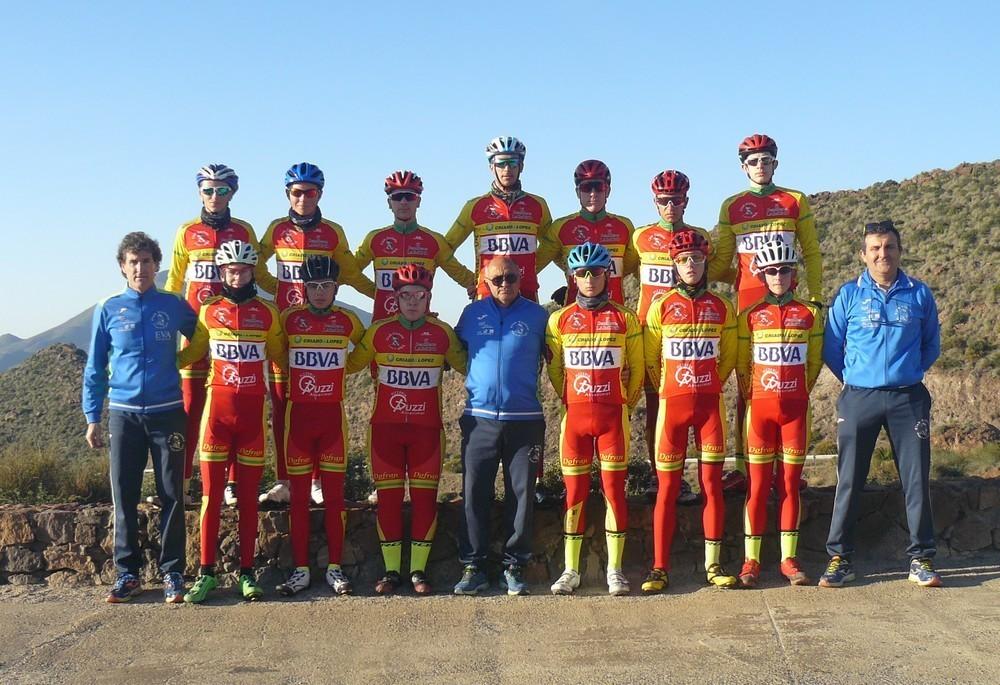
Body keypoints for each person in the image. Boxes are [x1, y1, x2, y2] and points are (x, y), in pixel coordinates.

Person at [820, 220, 942, 588]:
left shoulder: (919, 294)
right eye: (874, 248)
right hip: (859, 397)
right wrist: (859, 378)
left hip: (908, 397)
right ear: (863, 254)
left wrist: (906, 373)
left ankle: (921, 558)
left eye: (888, 247)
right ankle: (840, 558)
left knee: (917, 479)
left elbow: (931, 345)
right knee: (850, 479)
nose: (882, 254)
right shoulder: (849, 295)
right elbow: (832, 348)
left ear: (899, 250)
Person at [83, 232, 197, 603]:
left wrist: (180, 363)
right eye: (133, 262)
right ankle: (127, 574)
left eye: (146, 261)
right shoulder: (109, 308)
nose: (140, 268)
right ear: (122, 267)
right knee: (124, 495)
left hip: (168, 413)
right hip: (123, 415)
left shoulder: (174, 304)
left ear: (156, 265)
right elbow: (95, 366)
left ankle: (173, 573)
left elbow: (207, 336)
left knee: (172, 496)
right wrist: (92, 416)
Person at [256, 162, 376, 506]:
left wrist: (388, 299)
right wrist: (276, 288)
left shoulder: (333, 232)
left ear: (320, 194)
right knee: (282, 407)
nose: (303, 198)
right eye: (297, 192)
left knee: (322, 402)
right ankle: (285, 480)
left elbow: (351, 274)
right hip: (287, 327)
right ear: (287, 195)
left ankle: (317, 480)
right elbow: (255, 265)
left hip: (321, 331)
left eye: (310, 192)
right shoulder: (276, 230)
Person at [345, 265, 467, 595]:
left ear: (429, 297)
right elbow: (348, 364)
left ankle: (417, 571)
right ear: (395, 298)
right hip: (385, 433)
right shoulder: (378, 332)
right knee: (389, 501)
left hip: (427, 433)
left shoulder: (441, 333)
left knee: (425, 501)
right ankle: (391, 571)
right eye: (405, 295)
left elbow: (470, 365)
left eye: (419, 295)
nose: (412, 302)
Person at [712, 135, 823, 492]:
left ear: (776, 163)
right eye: (753, 161)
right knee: (748, 387)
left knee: (788, 384)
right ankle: (746, 468)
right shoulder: (732, 206)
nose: (760, 166)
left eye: (766, 160)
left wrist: (816, 297)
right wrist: (741, 278)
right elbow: (720, 263)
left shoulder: (795, 200)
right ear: (742, 166)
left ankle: (788, 470)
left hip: (788, 300)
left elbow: (811, 253)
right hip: (748, 306)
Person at [178, 240, 286, 603]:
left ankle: (246, 573)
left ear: (252, 272)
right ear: (221, 273)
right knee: (211, 499)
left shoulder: (268, 313)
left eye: (242, 269)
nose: (236, 275)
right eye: (229, 270)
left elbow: (281, 357)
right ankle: (205, 573)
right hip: (217, 416)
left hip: (252, 418)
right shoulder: (208, 311)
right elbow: (192, 354)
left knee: (249, 502)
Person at [641, 230, 739, 593]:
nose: (691, 266)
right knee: (667, 489)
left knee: (712, 486)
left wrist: (710, 381)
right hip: (672, 408)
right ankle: (659, 567)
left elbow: (728, 357)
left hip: (710, 407)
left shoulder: (721, 305)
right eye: (684, 260)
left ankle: (714, 565)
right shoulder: (661, 306)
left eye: (697, 259)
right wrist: (671, 387)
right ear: (674, 265)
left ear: (706, 262)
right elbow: (652, 360)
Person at [545, 242, 643, 596]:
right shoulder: (559, 320)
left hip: (613, 419)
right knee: (574, 495)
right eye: (583, 273)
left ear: (607, 274)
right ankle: (571, 569)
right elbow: (556, 371)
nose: (589, 278)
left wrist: (624, 404)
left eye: (596, 272)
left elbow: (637, 370)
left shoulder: (625, 318)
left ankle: (615, 570)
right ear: (574, 277)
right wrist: (570, 398)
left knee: (615, 493)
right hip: (575, 421)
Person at [452, 257, 548, 596]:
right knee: (474, 491)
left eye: (510, 278)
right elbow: (454, 352)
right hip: (479, 417)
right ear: (485, 282)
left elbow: (560, 358)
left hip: (525, 420)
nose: (504, 284)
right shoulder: (471, 315)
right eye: (496, 279)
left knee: (521, 495)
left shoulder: (539, 316)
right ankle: (473, 565)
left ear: (521, 279)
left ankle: (513, 564)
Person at [165, 164, 260, 508]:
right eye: (208, 190)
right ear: (198, 192)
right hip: (192, 330)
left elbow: (257, 276)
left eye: (222, 190)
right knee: (191, 408)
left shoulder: (244, 230)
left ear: (233, 192)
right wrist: (166, 326)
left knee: (235, 404)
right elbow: (174, 283)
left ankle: (232, 483)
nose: (215, 197)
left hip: (232, 331)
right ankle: (185, 481)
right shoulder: (186, 232)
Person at [274, 256, 365, 597]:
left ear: (336, 288)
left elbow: (368, 346)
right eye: (313, 286)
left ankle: (335, 568)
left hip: (332, 422)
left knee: (335, 500)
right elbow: (276, 351)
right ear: (304, 289)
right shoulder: (290, 319)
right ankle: (300, 570)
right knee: (299, 499)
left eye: (327, 286)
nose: (321, 292)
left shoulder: (346, 320)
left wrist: (344, 370)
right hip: (298, 421)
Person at [736, 239, 824, 587]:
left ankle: (789, 559)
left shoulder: (809, 314)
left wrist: (797, 392)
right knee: (756, 488)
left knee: (789, 486)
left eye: (784, 269)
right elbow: (743, 365)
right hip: (759, 411)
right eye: (771, 270)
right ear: (762, 274)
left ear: (794, 273)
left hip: (795, 412)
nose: (777, 276)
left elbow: (814, 363)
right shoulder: (750, 316)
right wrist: (755, 395)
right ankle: (751, 561)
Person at [632, 170, 717, 503]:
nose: (670, 206)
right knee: (654, 407)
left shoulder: (699, 238)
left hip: (686, 336)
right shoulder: (639, 237)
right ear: (655, 201)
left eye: (677, 200)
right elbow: (613, 271)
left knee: (690, 407)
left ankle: (686, 479)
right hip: (648, 332)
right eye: (664, 200)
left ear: (686, 201)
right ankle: (658, 476)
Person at [445, 135, 558, 301]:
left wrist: (532, 268)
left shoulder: (538, 205)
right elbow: (445, 248)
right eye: (501, 163)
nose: (507, 169)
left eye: (513, 163)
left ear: (521, 166)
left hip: (526, 293)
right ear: (492, 166)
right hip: (487, 294)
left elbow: (553, 245)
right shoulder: (474, 206)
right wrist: (469, 279)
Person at [355, 170, 477, 321]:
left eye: (410, 197)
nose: (404, 202)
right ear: (389, 203)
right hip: (382, 325)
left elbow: (461, 274)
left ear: (418, 202)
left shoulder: (434, 241)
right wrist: (375, 292)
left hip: (421, 325)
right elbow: (351, 273)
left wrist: (482, 285)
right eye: (398, 197)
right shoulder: (374, 239)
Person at [548, 160, 638, 305]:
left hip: (615, 313)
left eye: (599, 187)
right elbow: (536, 263)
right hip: (575, 311)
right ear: (577, 192)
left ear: (607, 190)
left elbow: (631, 268)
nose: (593, 194)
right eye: (586, 187)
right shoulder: (561, 227)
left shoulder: (624, 226)